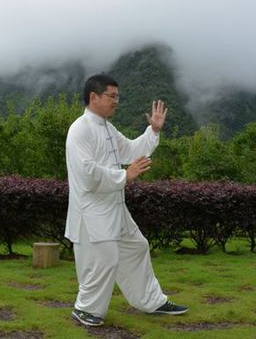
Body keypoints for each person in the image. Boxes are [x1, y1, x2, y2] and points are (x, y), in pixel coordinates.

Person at [65, 74, 188, 327]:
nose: (116, 101)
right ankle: (85, 309)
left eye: (117, 97)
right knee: (104, 259)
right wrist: (125, 174)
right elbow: (87, 173)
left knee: (137, 246)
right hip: (92, 211)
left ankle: (151, 301)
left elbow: (131, 150)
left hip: (115, 208)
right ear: (93, 97)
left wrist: (153, 130)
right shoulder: (80, 129)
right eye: (112, 96)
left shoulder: (107, 128)